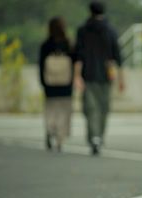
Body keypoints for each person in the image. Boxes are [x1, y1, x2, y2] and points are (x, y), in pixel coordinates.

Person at [74, 1, 124, 156]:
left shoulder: (82, 30)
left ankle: (94, 138)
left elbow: (79, 56)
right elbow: (118, 58)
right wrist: (122, 79)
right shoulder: (111, 31)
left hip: (88, 75)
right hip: (106, 76)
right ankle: (100, 137)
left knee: (90, 109)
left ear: (90, 12)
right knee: (103, 108)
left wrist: (76, 76)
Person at [39, 17, 74, 152]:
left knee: (50, 109)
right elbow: (75, 62)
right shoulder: (68, 44)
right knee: (64, 111)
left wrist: (43, 81)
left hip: (50, 83)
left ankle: (50, 130)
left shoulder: (45, 45)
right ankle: (60, 138)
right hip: (66, 83)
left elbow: (41, 65)